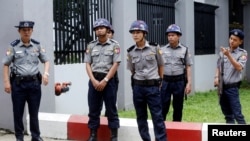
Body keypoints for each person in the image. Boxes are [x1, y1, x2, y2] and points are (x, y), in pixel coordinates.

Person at [2, 21, 50, 141]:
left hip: (34, 84)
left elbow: (46, 60)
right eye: (24, 30)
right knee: (18, 113)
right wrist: (6, 82)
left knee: (34, 112)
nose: (26, 32)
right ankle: (19, 137)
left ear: (32, 31)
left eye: (29, 30)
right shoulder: (13, 46)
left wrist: (46, 74)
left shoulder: (37, 45)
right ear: (19, 31)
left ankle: (36, 136)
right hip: (18, 84)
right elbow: (6, 65)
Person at [127, 20, 167, 141]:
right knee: (141, 116)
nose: (135, 35)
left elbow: (161, 65)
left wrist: (160, 80)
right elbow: (132, 70)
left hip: (152, 87)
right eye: (133, 32)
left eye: (138, 32)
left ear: (144, 33)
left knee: (157, 116)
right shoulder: (130, 51)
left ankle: (161, 139)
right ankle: (146, 139)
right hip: (138, 88)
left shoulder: (154, 48)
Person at [84, 18, 121, 141]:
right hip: (94, 80)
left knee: (111, 109)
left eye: (101, 28)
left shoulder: (115, 45)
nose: (99, 30)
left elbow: (116, 64)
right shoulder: (91, 45)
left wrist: (105, 80)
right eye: (97, 29)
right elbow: (88, 64)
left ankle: (114, 136)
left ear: (107, 29)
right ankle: (93, 135)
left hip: (109, 81)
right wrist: (93, 80)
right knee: (93, 109)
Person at [214, 29, 247, 124]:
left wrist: (228, 55)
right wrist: (216, 77)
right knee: (227, 114)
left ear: (240, 41)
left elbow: (239, 67)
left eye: (235, 40)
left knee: (237, 114)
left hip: (232, 88)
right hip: (222, 87)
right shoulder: (223, 52)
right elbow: (218, 66)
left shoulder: (243, 53)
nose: (232, 41)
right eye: (231, 38)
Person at [160, 24, 193, 122]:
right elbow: (159, 66)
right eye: (169, 35)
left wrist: (189, 83)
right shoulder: (162, 49)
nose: (170, 37)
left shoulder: (184, 49)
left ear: (179, 36)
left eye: (173, 35)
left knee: (178, 107)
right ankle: (161, 130)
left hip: (179, 81)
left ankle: (177, 129)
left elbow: (188, 66)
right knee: (163, 106)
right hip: (165, 81)